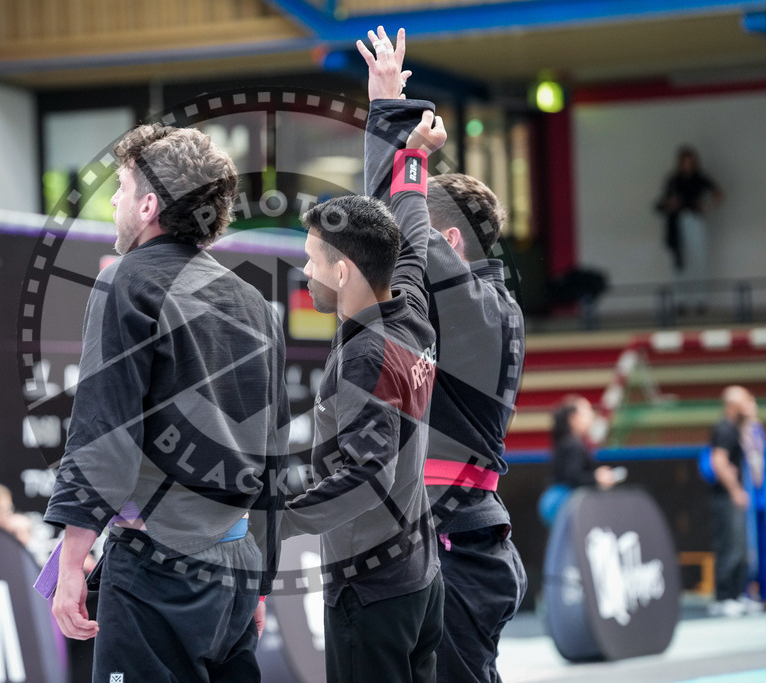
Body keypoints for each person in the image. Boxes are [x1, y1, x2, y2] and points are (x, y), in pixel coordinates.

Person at [43, 123, 289, 682]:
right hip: (235, 566)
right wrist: (260, 577)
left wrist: (71, 562)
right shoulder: (251, 299)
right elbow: (276, 450)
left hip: (158, 570)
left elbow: (103, 431)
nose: (113, 202)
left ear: (149, 204)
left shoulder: (126, 282)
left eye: (121, 189)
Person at [359, 34, 528, 679]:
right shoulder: (464, 308)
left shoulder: (486, 312)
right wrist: (386, 115)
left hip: (457, 550)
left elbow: (398, 231)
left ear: (449, 240)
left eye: (424, 236)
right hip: (437, 540)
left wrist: (403, 141)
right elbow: (384, 233)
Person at [280, 27, 445, 683]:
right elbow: (405, 218)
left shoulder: (363, 356)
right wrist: (388, 118)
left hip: (372, 588)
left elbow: (364, 473)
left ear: (345, 271)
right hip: (419, 578)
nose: (303, 272)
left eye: (312, 261)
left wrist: (275, 525)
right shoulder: (411, 308)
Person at [656, 146, 723, 312]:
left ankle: (701, 300)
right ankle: (680, 301)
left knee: (699, 259)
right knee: (680, 262)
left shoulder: (700, 178)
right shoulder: (674, 179)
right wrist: (671, 204)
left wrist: (706, 206)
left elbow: (718, 193)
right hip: (678, 221)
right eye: (685, 162)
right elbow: (665, 201)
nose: (688, 165)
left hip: (694, 219)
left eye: (690, 162)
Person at [707, 385, 752, 617]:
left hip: (733, 496)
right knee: (729, 547)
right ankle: (723, 598)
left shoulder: (736, 428)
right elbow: (718, 462)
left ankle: (737, 594)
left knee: (740, 547)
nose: (750, 403)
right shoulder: (724, 428)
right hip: (725, 498)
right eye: (746, 399)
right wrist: (734, 490)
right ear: (734, 404)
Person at [740, 391, 766, 610]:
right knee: (748, 549)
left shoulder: (757, 429)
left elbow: (762, 460)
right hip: (747, 501)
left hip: (763, 499)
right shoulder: (734, 430)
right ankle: (746, 591)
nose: (753, 406)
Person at [550, 395, 620, 491]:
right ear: (573, 419)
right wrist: (596, 478)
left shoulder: (570, 442)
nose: (592, 416)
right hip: (566, 501)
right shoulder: (572, 445)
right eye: (587, 412)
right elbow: (573, 477)